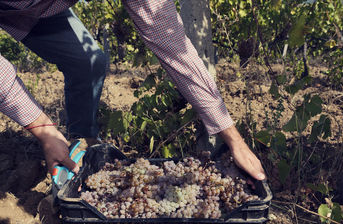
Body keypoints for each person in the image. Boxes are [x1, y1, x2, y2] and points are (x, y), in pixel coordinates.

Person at [0, 0, 266, 182]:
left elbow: (173, 46)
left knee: (88, 61)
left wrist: (233, 138)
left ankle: (82, 148)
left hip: (38, 8)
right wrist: (42, 128)